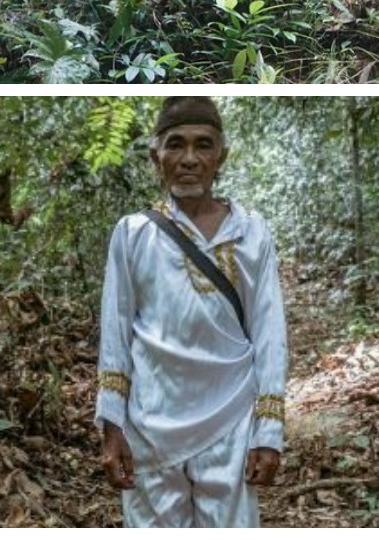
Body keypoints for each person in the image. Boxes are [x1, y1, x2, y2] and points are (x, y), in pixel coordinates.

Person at [95, 97, 288, 528]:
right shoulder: (133, 233)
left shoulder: (251, 231)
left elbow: (270, 331)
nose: (188, 159)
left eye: (203, 146)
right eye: (175, 145)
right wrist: (112, 425)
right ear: (155, 156)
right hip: (150, 422)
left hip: (232, 422)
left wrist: (269, 430)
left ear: (222, 156)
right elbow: (116, 333)